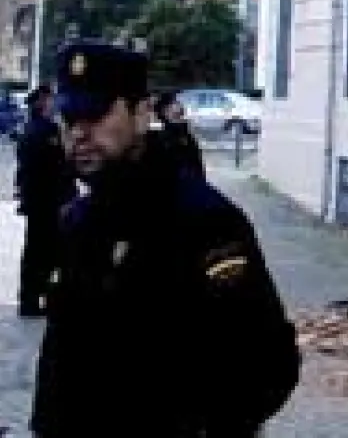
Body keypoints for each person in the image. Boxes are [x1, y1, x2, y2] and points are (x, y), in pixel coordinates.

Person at [31, 39, 300, 436]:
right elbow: (62, 356)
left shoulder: (203, 220)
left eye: (96, 115)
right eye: (69, 119)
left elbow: (268, 361)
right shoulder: (79, 221)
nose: (79, 133)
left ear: (142, 114)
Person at [14, 84, 76, 318]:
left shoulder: (34, 128)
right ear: (41, 102)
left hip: (40, 201)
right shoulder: (44, 131)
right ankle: (36, 299)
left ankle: (33, 298)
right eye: (51, 99)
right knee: (44, 252)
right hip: (47, 202)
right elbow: (57, 167)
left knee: (39, 251)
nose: (55, 103)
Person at [152, 90, 205, 178]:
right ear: (165, 111)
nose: (180, 105)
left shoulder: (184, 132)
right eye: (175, 102)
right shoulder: (166, 139)